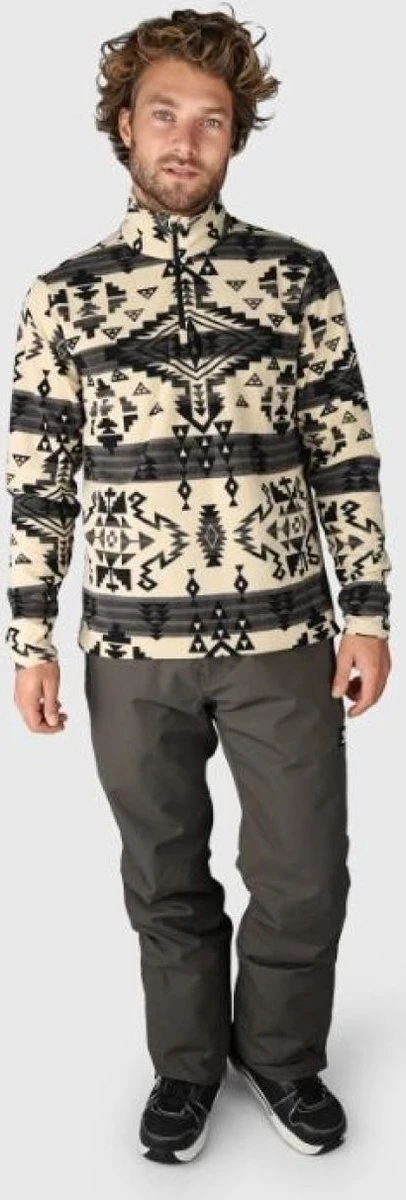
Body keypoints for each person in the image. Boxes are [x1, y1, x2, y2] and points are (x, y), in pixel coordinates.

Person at [5, 5, 392, 1165]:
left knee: (303, 875)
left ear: (235, 136)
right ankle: (184, 1067)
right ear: (124, 126)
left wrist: (368, 614)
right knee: (164, 877)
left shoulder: (295, 278)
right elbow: (36, 483)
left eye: (210, 121)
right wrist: (29, 639)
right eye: (163, 114)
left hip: (286, 637)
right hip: (131, 653)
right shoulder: (61, 296)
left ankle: (280, 1056)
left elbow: (344, 454)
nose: (185, 139)